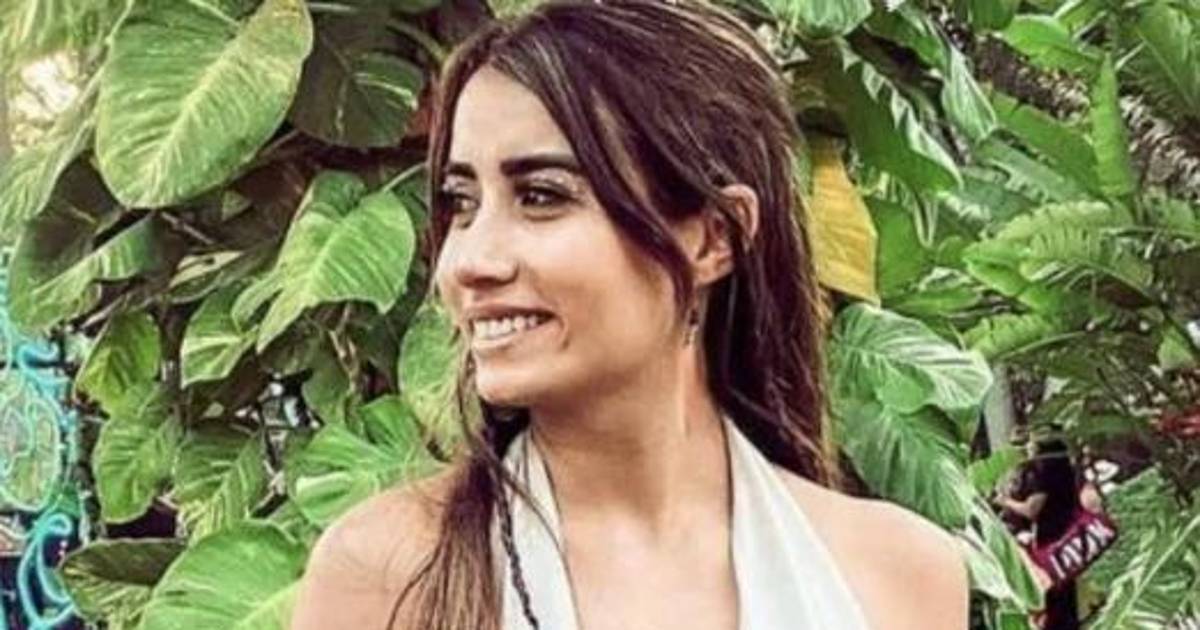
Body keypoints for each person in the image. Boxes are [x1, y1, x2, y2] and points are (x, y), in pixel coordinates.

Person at [291, 1, 969, 628]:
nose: (469, 261)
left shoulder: (895, 580)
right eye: (462, 203)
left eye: (542, 196)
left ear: (714, 238)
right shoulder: (386, 577)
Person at [997, 436, 1081, 629]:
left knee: (1052, 585)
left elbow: (1031, 509)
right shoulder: (1069, 471)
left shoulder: (1045, 474)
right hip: (1069, 530)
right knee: (1066, 585)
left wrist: (1005, 501)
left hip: (1050, 534)